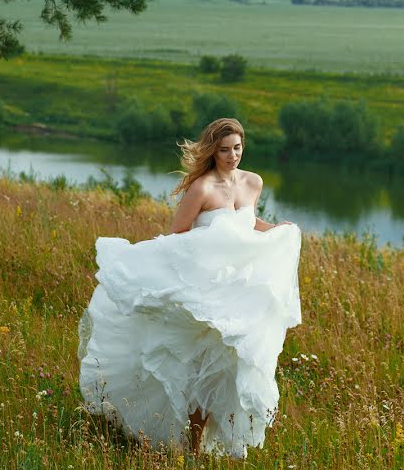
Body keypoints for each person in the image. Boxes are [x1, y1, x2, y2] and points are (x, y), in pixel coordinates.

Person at [77, 118, 302, 458]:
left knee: (227, 364)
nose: (232, 156)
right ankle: (194, 447)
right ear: (213, 151)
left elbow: (248, 222)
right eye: (224, 150)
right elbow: (179, 233)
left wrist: (276, 229)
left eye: (237, 148)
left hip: (236, 290)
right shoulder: (202, 188)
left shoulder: (252, 182)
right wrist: (213, 244)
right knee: (198, 365)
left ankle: (210, 439)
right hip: (203, 289)